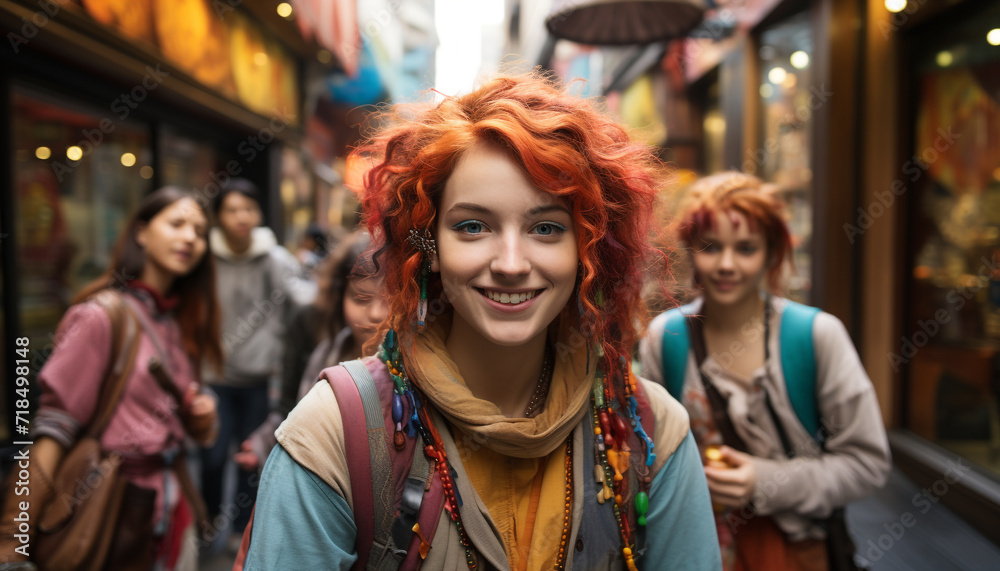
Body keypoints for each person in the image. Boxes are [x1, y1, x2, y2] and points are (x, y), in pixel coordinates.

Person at [240, 74, 722, 570]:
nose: (511, 262)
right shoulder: (337, 433)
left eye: (546, 228)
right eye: (473, 226)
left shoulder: (648, 429)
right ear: (429, 247)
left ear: (587, 249)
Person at [639, 172, 891, 570]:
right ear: (691, 249)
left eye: (745, 248)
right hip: (690, 545)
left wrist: (764, 480)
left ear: (771, 252)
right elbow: (646, 453)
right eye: (710, 246)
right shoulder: (664, 337)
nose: (726, 264)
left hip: (795, 550)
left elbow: (867, 463)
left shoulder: (816, 335)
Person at [0, 187, 223, 570]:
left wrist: (202, 417)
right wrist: (12, 542)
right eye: (177, 223)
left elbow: (195, 429)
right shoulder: (100, 317)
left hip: (174, 511)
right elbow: (53, 431)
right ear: (141, 232)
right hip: (110, 510)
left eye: (200, 231)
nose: (190, 237)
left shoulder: (181, 321)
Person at [201, 178, 314, 548]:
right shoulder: (205, 258)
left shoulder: (275, 259)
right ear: (218, 216)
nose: (241, 217)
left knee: (250, 458)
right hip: (214, 376)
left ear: (259, 214)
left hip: (259, 379)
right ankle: (207, 522)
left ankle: (239, 532)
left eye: (248, 208)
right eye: (232, 209)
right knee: (213, 457)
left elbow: (304, 303)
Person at [234, 229, 388, 472]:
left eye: (391, 299)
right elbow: (289, 410)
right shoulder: (319, 346)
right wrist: (264, 443)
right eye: (361, 298)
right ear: (339, 296)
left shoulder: (418, 366)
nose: (376, 313)